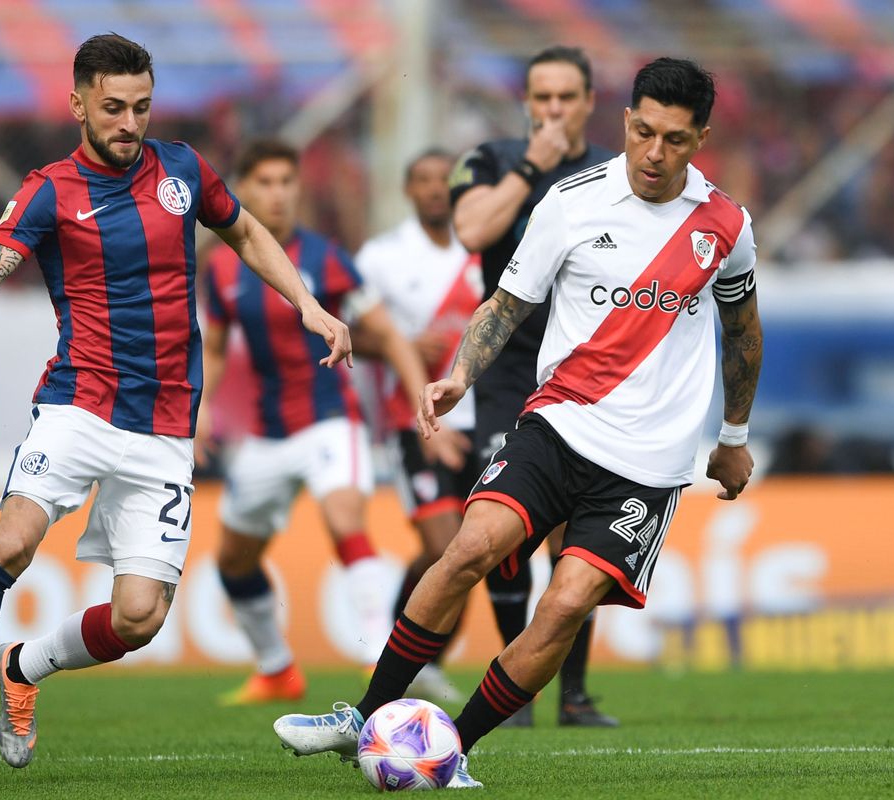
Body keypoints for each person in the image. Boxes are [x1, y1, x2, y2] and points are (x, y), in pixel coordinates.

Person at [274, 57, 763, 789]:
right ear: (626, 122)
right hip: (558, 426)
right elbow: (506, 305)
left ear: (701, 139)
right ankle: (367, 716)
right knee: (469, 548)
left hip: (649, 464)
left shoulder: (725, 224)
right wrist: (460, 376)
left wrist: (732, 438)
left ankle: (451, 748)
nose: (656, 154)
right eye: (646, 133)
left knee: (564, 606)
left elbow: (744, 332)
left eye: (677, 140)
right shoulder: (570, 202)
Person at [0, 34, 352, 778]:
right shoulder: (49, 190)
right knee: (12, 540)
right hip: (78, 404)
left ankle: (22, 667)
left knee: (139, 618)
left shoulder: (183, 171)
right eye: (112, 109)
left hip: (164, 427)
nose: (129, 123)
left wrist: (308, 305)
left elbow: (247, 231)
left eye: (140, 107)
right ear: (77, 104)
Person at [198, 139, 429, 705]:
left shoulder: (326, 257)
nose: (278, 194)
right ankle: (277, 669)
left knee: (345, 515)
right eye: (266, 183)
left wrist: (421, 392)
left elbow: (388, 334)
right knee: (232, 559)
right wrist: (201, 405)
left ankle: (380, 660)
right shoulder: (222, 267)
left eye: (287, 181)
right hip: (267, 432)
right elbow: (217, 347)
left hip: (331, 417)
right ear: (243, 190)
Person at [449, 44, 616, 728]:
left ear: (588, 102)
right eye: (541, 97)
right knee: (503, 529)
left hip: (589, 370)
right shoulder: (489, 161)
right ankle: (515, 689)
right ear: (526, 102)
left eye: (565, 98)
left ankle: (572, 693)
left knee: (579, 534)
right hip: (510, 367)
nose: (552, 110)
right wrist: (531, 168)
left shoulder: (616, 173)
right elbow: (469, 231)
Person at [353, 148, 483, 704]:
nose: (434, 189)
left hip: (485, 420)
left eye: (443, 180)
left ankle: (423, 657)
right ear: (407, 189)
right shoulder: (381, 257)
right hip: (415, 423)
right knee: (445, 545)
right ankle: (407, 653)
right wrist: (398, 347)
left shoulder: (483, 251)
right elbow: (347, 337)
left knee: (471, 550)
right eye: (422, 179)